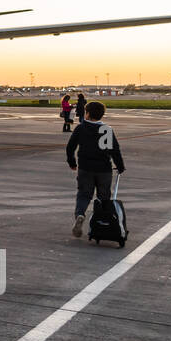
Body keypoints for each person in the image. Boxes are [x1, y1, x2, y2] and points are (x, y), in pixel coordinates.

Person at [66, 100, 125, 238]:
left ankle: (80, 214)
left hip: (86, 167)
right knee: (103, 197)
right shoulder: (107, 129)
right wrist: (120, 166)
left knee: (84, 194)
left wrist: (72, 162)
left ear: (86, 114)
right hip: (104, 169)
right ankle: (102, 223)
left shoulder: (81, 128)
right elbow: (114, 150)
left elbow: (70, 147)